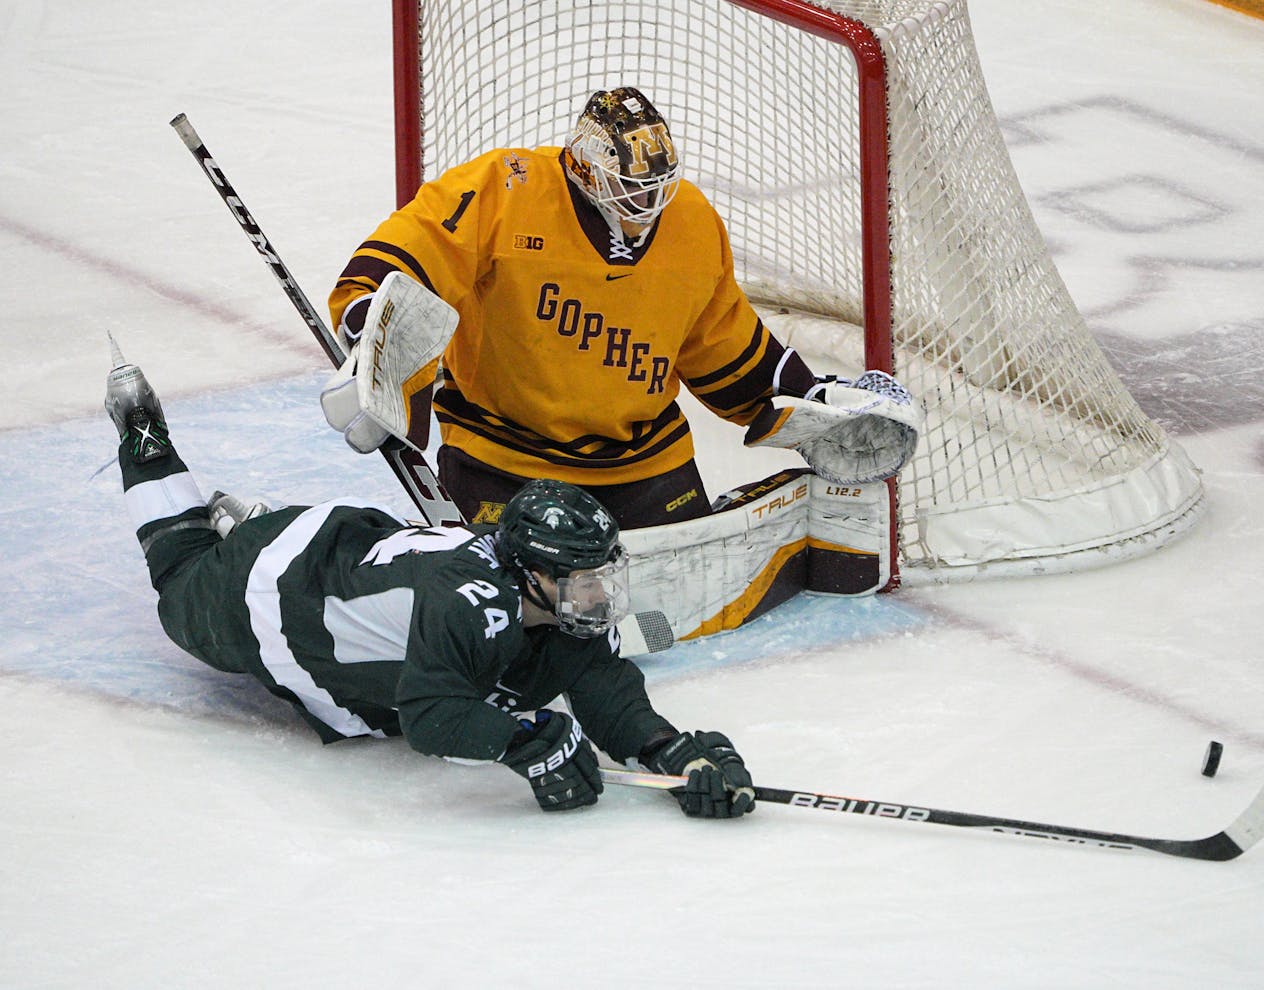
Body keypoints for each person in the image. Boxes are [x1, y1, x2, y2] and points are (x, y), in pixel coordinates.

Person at [104, 338, 754, 818]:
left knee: (509, 669)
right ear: (532, 576)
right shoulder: (466, 606)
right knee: (178, 577)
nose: (597, 594)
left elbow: (601, 682)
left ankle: (248, 521)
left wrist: (672, 752)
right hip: (276, 598)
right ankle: (146, 439)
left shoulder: (546, 596)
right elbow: (429, 714)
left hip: (350, 543)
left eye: (599, 576)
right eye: (583, 579)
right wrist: (522, 743)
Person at [326, 86, 918, 529]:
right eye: (631, 188)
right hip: (501, 454)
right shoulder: (505, 190)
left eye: (656, 188)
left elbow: (720, 339)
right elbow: (418, 250)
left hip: (644, 461)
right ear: (585, 169)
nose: (647, 203)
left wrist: (802, 401)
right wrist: (372, 334)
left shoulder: (690, 220)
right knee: (517, 613)